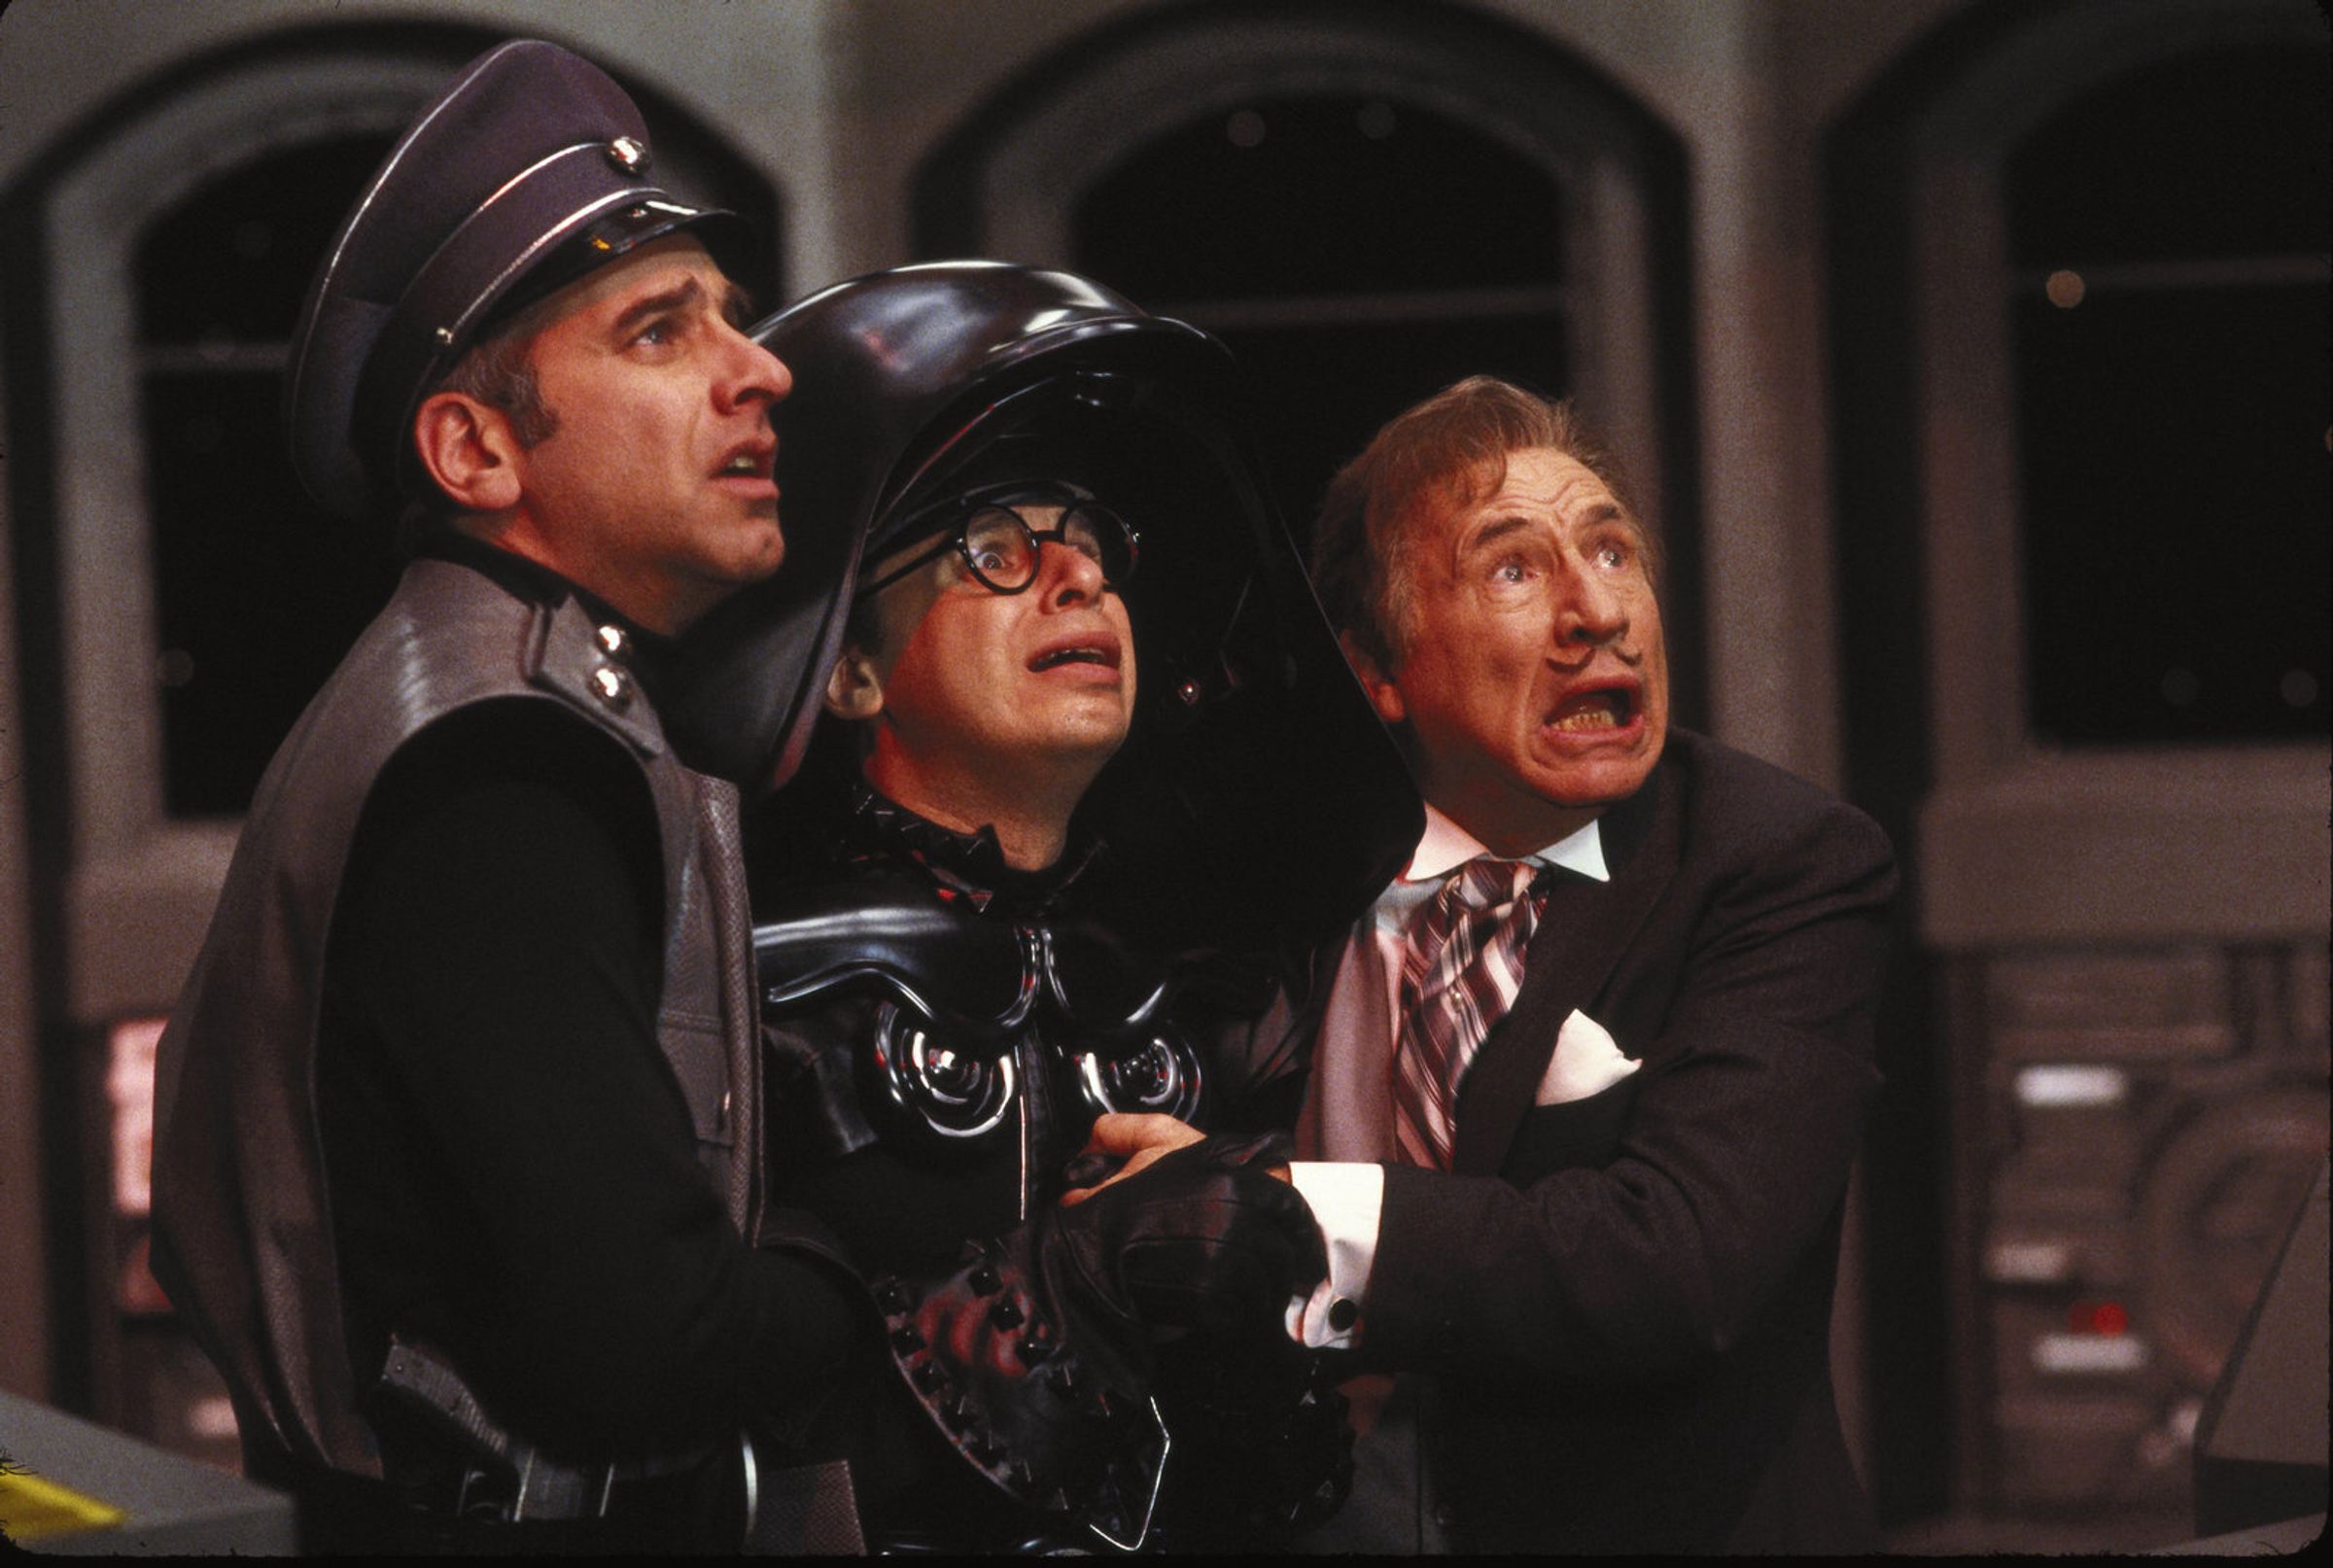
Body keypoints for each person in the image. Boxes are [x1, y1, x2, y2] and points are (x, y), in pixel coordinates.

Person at [147, 41, 873, 1551]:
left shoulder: (494, 703)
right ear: (476, 449)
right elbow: (639, 1343)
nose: (761, 369)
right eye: (661, 332)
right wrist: (941, 1288)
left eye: (731, 317)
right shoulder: (495, 763)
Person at [668, 261, 1422, 1551]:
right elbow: (714, 1415)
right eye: (996, 549)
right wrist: (1075, 1283)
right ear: (847, 671)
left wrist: (1255, 1297)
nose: (1078, 577)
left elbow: (1285, 1477)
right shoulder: (740, 991)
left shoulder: (1213, 991)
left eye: (1093, 545)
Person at [1100, 374, 1897, 1552]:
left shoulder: (1778, 860)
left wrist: (1275, 1215)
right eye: (1515, 569)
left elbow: (1681, 1265)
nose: (1598, 612)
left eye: (1613, 553)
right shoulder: (1269, 877)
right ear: (1377, 671)